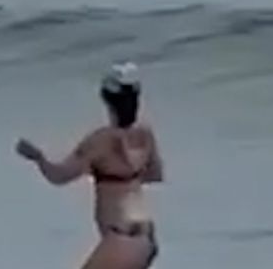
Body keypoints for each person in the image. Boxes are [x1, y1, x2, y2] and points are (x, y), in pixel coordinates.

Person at [15, 62, 165, 268]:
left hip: (119, 237)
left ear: (107, 101)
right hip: (146, 239)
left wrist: (37, 157)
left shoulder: (99, 141)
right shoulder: (145, 135)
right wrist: (124, 177)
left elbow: (59, 176)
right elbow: (155, 174)